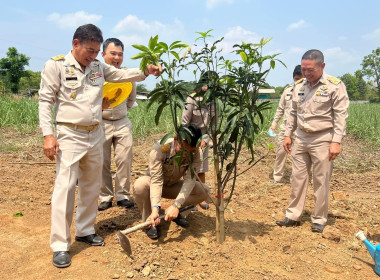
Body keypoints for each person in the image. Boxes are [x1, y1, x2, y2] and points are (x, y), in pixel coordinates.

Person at [38, 24, 161, 268]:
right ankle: (61, 245)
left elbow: (119, 75)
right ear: (76, 44)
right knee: (65, 189)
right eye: (90, 50)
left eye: (96, 51)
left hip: (96, 133)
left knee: (91, 186)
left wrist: (144, 72)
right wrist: (48, 135)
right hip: (69, 134)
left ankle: (84, 229)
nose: (93, 56)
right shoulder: (57, 65)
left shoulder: (97, 65)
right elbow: (45, 100)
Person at [276, 49, 349, 233]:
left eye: (311, 70)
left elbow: (340, 115)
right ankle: (293, 215)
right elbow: (292, 112)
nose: (307, 73)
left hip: (323, 138)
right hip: (300, 137)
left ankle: (319, 218)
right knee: (297, 178)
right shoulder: (299, 86)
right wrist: (287, 134)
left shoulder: (334, 86)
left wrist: (336, 141)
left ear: (322, 66)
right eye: (304, 69)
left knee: (321, 180)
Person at [133, 124, 210, 239]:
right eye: (183, 148)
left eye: (190, 150)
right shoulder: (161, 147)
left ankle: (178, 214)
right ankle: (150, 222)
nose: (185, 153)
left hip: (173, 186)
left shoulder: (196, 153)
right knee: (140, 185)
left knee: (204, 190)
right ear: (176, 139)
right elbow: (156, 180)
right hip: (154, 185)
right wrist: (155, 208)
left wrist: (176, 205)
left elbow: (190, 180)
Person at [98, 38, 136, 211]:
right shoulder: (96, 75)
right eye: (113, 53)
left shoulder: (127, 76)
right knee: (102, 161)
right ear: (103, 54)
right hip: (101, 122)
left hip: (122, 122)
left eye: (120, 54)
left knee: (124, 159)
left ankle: (123, 195)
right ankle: (105, 197)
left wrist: (121, 113)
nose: (117, 57)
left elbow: (131, 99)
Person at [181, 71, 218, 210]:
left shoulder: (214, 102)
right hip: (190, 136)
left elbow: (214, 124)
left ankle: (201, 197)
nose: (211, 86)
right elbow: (184, 122)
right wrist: (188, 140)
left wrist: (206, 139)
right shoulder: (192, 99)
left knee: (201, 169)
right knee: (188, 168)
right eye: (208, 83)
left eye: (214, 84)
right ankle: (189, 197)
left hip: (204, 137)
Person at [269, 65, 304, 183]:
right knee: (281, 152)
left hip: (301, 128)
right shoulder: (287, 90)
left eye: (301, 79)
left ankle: (296, 179)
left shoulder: (309, 91)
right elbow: (280, 109)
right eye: (296, 79)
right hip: (285, 127)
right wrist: (274, 124)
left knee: (299, 155)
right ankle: (278, 178)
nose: (299, 81)